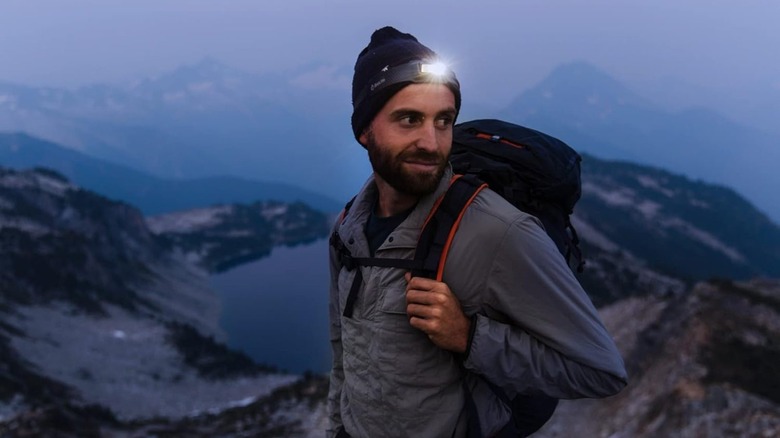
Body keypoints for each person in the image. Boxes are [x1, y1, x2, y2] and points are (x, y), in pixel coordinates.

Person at [328, 26, 627, 438]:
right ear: (364, 130)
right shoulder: (349, 230)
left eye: (443, 121)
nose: (431, 143)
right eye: (409, 120)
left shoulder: (496, 231)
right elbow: (343, 354)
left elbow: (601, 371)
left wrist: (470, 338)